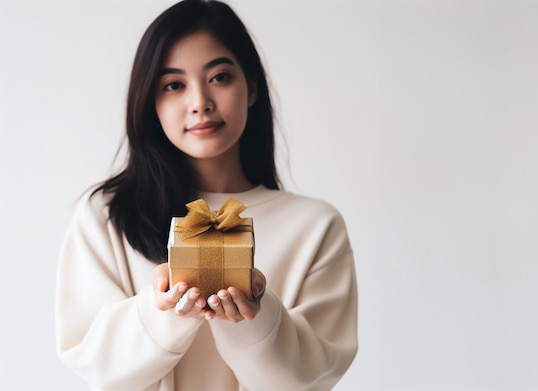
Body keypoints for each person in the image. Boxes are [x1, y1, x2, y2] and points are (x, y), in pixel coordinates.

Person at [54, 0, 358, 390]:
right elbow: (92, 362)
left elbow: (311, 379)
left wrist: (256, 318)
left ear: (250, 87)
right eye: (174, 85)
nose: (200, 102)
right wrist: (162, 309)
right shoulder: (108, 213)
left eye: (219, 77)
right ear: (152, 104)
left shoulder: (315, 226)